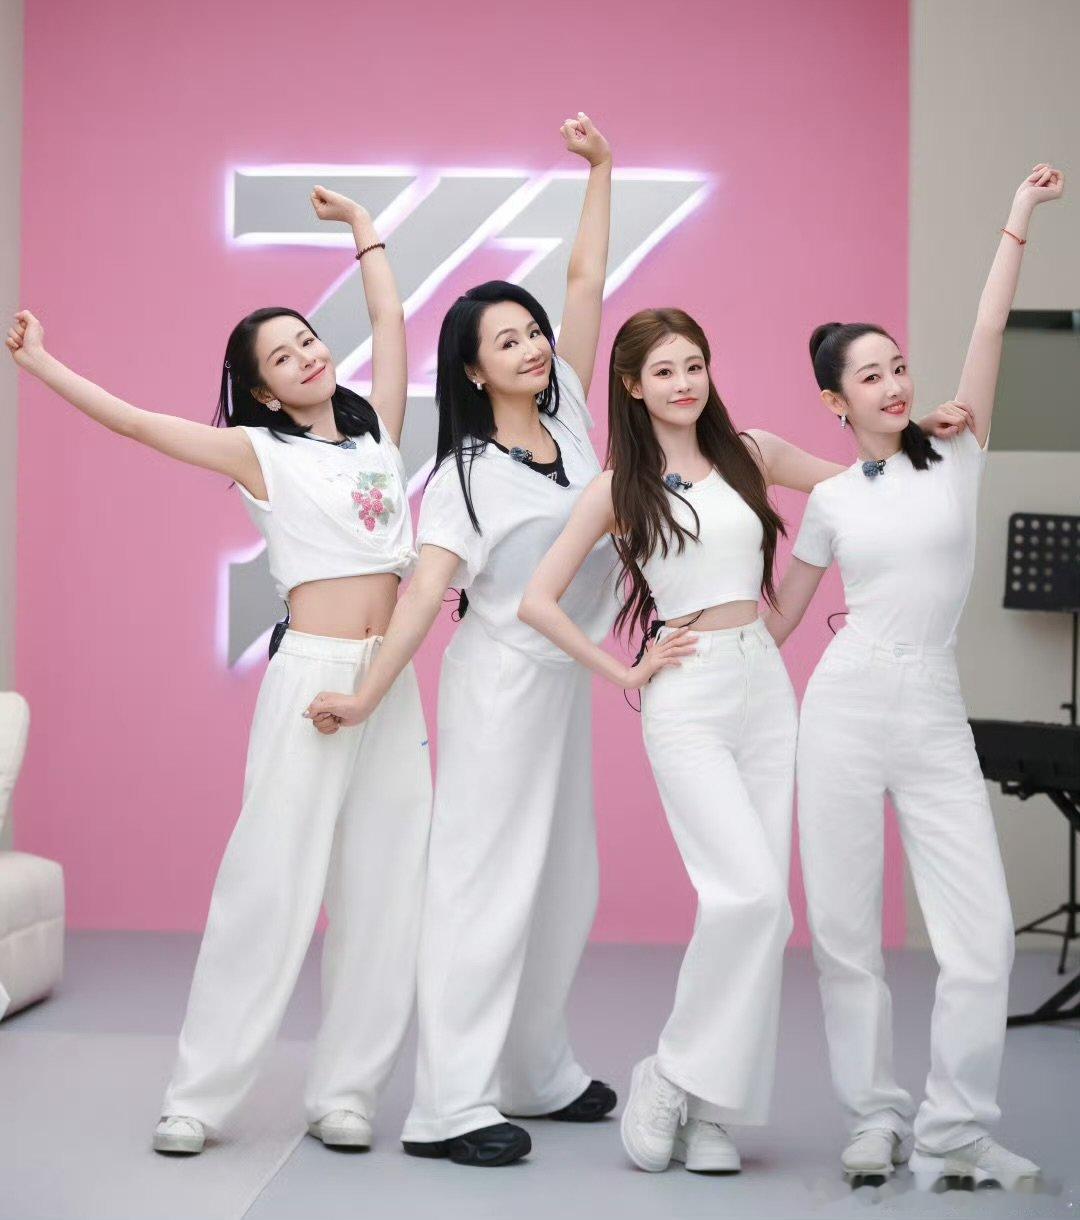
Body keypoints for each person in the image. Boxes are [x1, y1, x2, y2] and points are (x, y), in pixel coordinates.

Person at [7, 188, 431, 1157]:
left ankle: (348, 1091)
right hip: (312, 682)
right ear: (265, 391)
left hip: (389, 682)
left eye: (307, 340)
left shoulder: (377, 433)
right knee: (267, 885)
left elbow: (389, 322)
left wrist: (363, 229)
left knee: (383, 886)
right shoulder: (258, 452)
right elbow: (136, 424)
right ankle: (199, 1095)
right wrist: (40, 364)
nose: (307, 355)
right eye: (282, 357)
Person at [519, 306, 973, 1175]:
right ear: (632, 386)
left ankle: (714, 1113)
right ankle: (670, 1072)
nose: (685, 383)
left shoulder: (751, 452)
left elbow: (869, 482)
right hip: (685, 697)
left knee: (765, 913)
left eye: (695, 365)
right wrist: (624, 672)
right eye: (664, 371)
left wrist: (927, 429)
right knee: (750, 897)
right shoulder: (617, 490)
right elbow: (537, 601)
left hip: (764, 687)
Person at [305, 115, 619, 1167]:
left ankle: (534, 1068)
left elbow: (586, 282)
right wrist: (365, 694)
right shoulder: (462, 479)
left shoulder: (573, 421)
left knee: (564, 881)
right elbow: (421, 600)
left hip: (564, 682)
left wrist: (601, 171)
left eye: (533, 332)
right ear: (475, 372)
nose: (534, 346)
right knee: (483, 886)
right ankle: (450, 1104)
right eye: (509, 341)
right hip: (499, 688)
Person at [767, 164, 1065, 1190]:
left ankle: (955, 1130)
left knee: (979, 937)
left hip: (934, 708)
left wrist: (1019, 214)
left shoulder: (960, 449)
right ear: (834, 400)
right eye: (870, 376)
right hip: (844, 708)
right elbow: (780, 620)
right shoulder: (832, 502)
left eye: (899, 366)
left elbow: (989, 328)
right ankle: (874, 1117)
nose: (895, 385)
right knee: (845, 933)